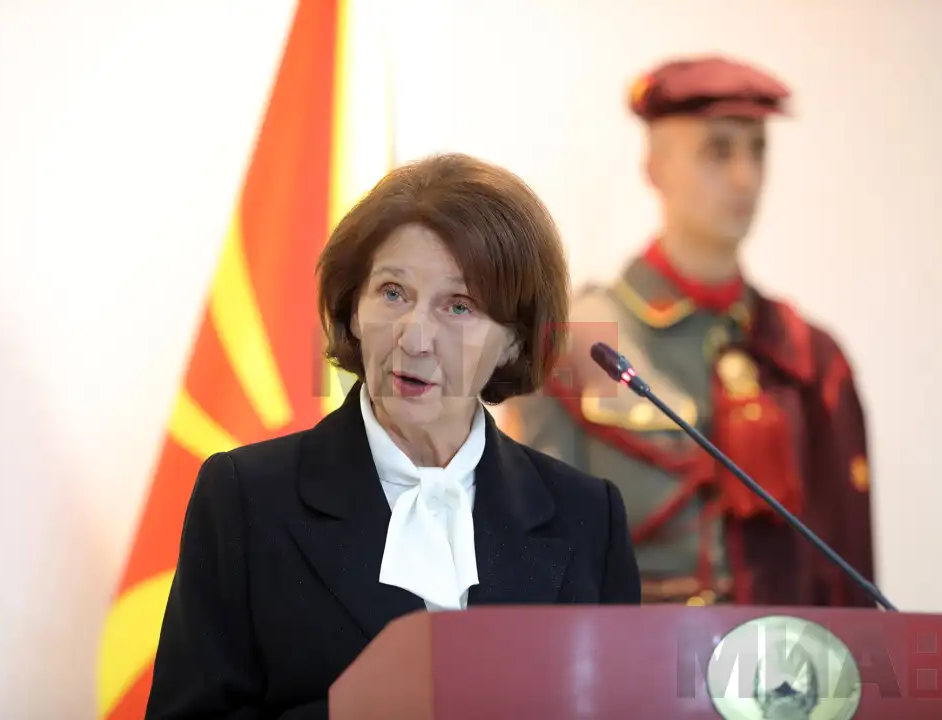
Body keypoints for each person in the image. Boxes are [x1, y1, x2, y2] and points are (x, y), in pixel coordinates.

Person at [145, 153, 642, 719]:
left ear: (513, 341)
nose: (415, 338)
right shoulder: (245, 498)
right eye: (392, 292)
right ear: (354, 311)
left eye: (459, 306)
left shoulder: (588, 516)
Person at [502, 56, 876, 608]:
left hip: (779, 659)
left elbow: (846, 578)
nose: (745, 177)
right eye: (718, 151)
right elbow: (539, 559)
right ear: (655, 168)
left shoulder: (807, 356)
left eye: (757, 151)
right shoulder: (576, 340)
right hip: (630, 655)